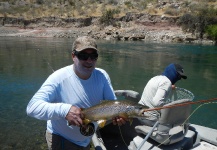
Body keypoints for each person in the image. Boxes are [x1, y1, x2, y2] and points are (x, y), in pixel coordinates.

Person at [26, 36, 126, 150]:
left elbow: (112, 104)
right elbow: (32, 108)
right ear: (73, 56)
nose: (89, 60)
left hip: (86, 139)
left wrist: (117, 116)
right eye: (83, 56)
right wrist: (65, 110)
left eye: (93, 56)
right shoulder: (57, 78)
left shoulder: (102, 76)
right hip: (63, 139)